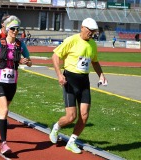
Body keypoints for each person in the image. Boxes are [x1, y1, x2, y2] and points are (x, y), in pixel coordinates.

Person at [49, 18, 108, 154]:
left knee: (85, 115)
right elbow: (55, 56)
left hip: (84, 82)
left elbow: (95, 61)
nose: (91, 34)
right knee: (71, 117)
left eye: (93, 32)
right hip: (70, 80)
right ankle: (56, 127)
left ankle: (71, 142)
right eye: (89, 31)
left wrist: (101, 75)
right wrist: (59, 75)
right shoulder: (72, 40)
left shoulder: (93, 44)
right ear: (82, 28)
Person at [0, 15, 32, 155]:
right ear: (8, 29)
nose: (15, 31)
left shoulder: (20, 45)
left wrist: (26, 62)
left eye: (17, 29)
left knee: (1, 111)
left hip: (12, 83)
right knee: (4, 110)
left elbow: (30, 61)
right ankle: (4, 144)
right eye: (13, 29)